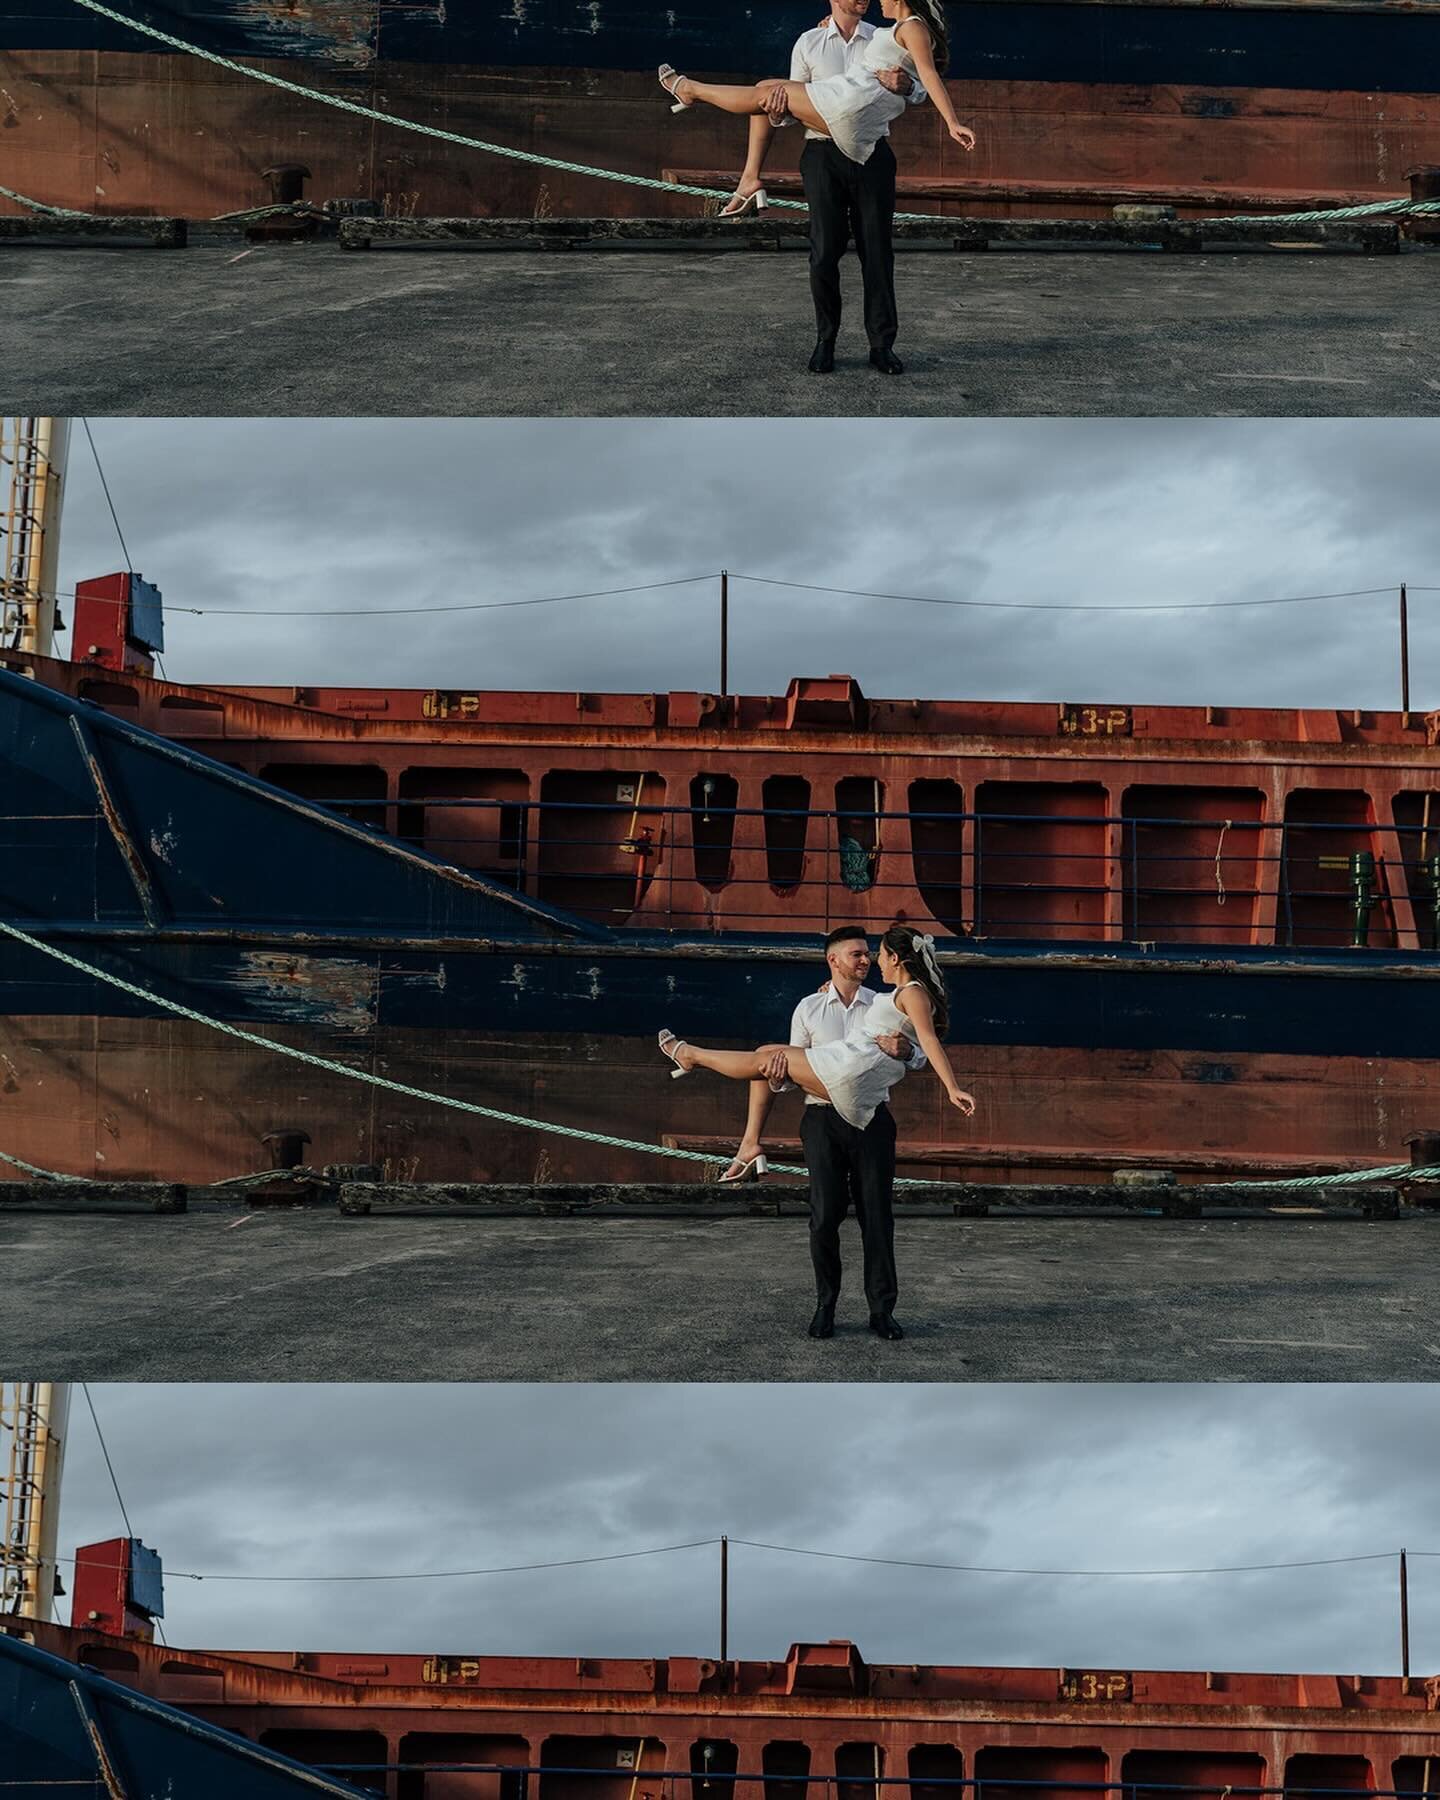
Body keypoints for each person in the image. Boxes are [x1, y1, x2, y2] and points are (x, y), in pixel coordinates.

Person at [658, 922, 976, 1341]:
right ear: (833, 961)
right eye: (858, 954)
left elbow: (921, 1044)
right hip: (823, 1116)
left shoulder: (886, 996)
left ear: (894, 959)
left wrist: (919, 1059)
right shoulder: (810, 1007)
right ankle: (825, 1306)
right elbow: (787, 1079)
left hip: (868, 1112)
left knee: (877, 1220)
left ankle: (882, 1312)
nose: (867, 960)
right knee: (823, 1218)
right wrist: (777, 1076)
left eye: (872, 953)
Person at [658, 0, 976, 375]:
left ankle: (881, 345)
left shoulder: (885, 32)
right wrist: (778, 114)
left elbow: (923, 83)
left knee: (878, 255)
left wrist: (917, 94)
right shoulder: (809, 41)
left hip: (867, 147)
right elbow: (787, 112)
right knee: (823, 252)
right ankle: (826, 341)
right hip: (823, 152)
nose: (869, 0)